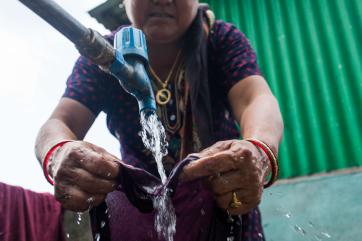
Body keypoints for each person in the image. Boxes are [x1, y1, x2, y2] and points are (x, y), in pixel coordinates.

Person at [35, 0, 284, 240]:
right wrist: (58, 153)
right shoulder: (104, 56)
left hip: (225, 205)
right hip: (140, 216)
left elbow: (255, 98)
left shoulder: (220, 40)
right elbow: (60, 122)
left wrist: (259, 149)